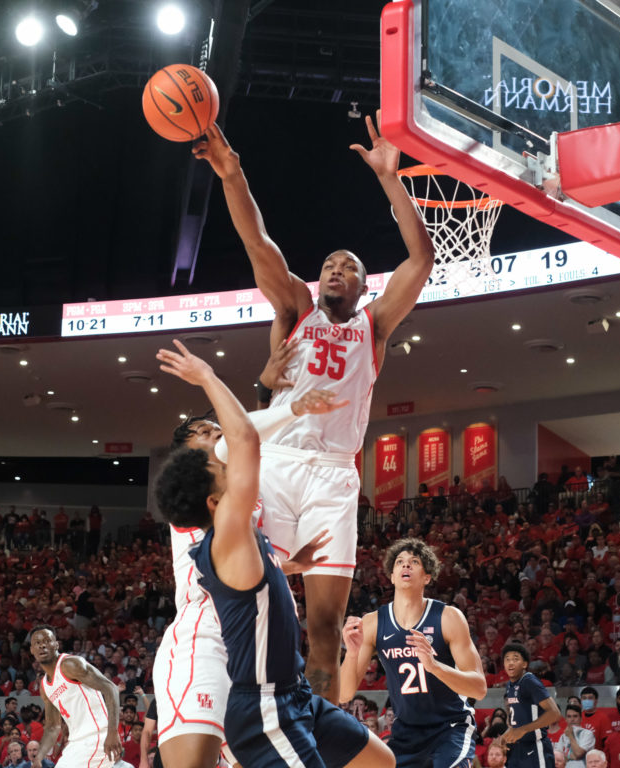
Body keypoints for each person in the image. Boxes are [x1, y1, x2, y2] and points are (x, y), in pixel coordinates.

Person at [193, 110, 434, 701]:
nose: (334, 268)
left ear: (362, 285)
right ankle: (237, 728)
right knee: (251, 604)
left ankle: (318, 741)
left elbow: (422, 259)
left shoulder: (374, 326)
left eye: (347, 266)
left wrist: (388, 178)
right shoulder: (294, 308)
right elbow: (258, 240)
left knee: (323, 627)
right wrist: (231, 172)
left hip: (333, 476)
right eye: (328, 262)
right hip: (275, 461)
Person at [152, 340, 392, 768]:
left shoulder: (238, 498)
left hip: (261, 656)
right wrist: (285, 401)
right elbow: (245, 434)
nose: (216, 433)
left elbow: (247, 432)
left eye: (216, 429)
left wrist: (287, 563)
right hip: (206, 638)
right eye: (204, 433)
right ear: (187, 457)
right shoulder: (206, 502)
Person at [340, 537, 486, 767]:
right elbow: (344, 694)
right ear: (391, 576)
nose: (405, 565)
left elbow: (479, 688)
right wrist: (351, 653)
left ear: (427, 576)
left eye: (414, 561)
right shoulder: (373, 623)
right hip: (405, 733)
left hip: (449, 727)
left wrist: (434, 667)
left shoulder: (448, 617)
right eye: (399, 562)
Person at [30, 625, 123, 768]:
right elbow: (53, 726)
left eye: (47, 640)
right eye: (37, 642)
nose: (42, 645)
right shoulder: (45, 687)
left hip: (97, 737)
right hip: (76, 743)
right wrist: (39, 757)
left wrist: (112, 732)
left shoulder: (70, 665)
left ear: (56, 644)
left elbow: (111, 688)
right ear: (32, 650)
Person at [499, 642, 561, 768]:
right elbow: (520, 717)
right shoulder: (510, 685)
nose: (510, 663)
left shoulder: (529, 681)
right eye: (507, 659)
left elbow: (554, 713)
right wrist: (507, 734)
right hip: (518, 748)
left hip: (536, 747)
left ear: (525, 664)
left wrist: (523, 730)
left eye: (515, 659)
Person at [557, 704, 595, 768]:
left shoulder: (587, 734)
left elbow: (578, 754)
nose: (572, 719)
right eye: (569, 716)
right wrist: (571, 756)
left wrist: (570, 736)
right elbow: (559, 758)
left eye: (575, 716)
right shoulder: (563, 736)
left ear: (581, 719)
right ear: (565, 719)